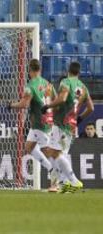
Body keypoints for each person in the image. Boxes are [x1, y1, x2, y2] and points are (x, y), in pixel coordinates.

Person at [41, 61, 94, 193]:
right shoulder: (83, 87)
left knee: (53, 152)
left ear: (68, 71)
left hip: (61, 123)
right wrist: (80, 118)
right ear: (79, 73)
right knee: (58, 153)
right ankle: (64, 184)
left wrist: (48, 106)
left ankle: (74, 181)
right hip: (71, 125)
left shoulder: (66, 82)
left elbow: (63, 99)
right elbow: (91, 108)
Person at [8, 59, 59, 192]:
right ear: (40, 70)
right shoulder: (48, 84)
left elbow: (24, 105)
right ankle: (51, 169)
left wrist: (11, 105)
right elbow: (56, 101)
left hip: (40, 123)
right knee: (29, 147)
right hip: (46, 120)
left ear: (29, 71)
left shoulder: (30, 86)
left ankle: (56, 179)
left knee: (46, 150)